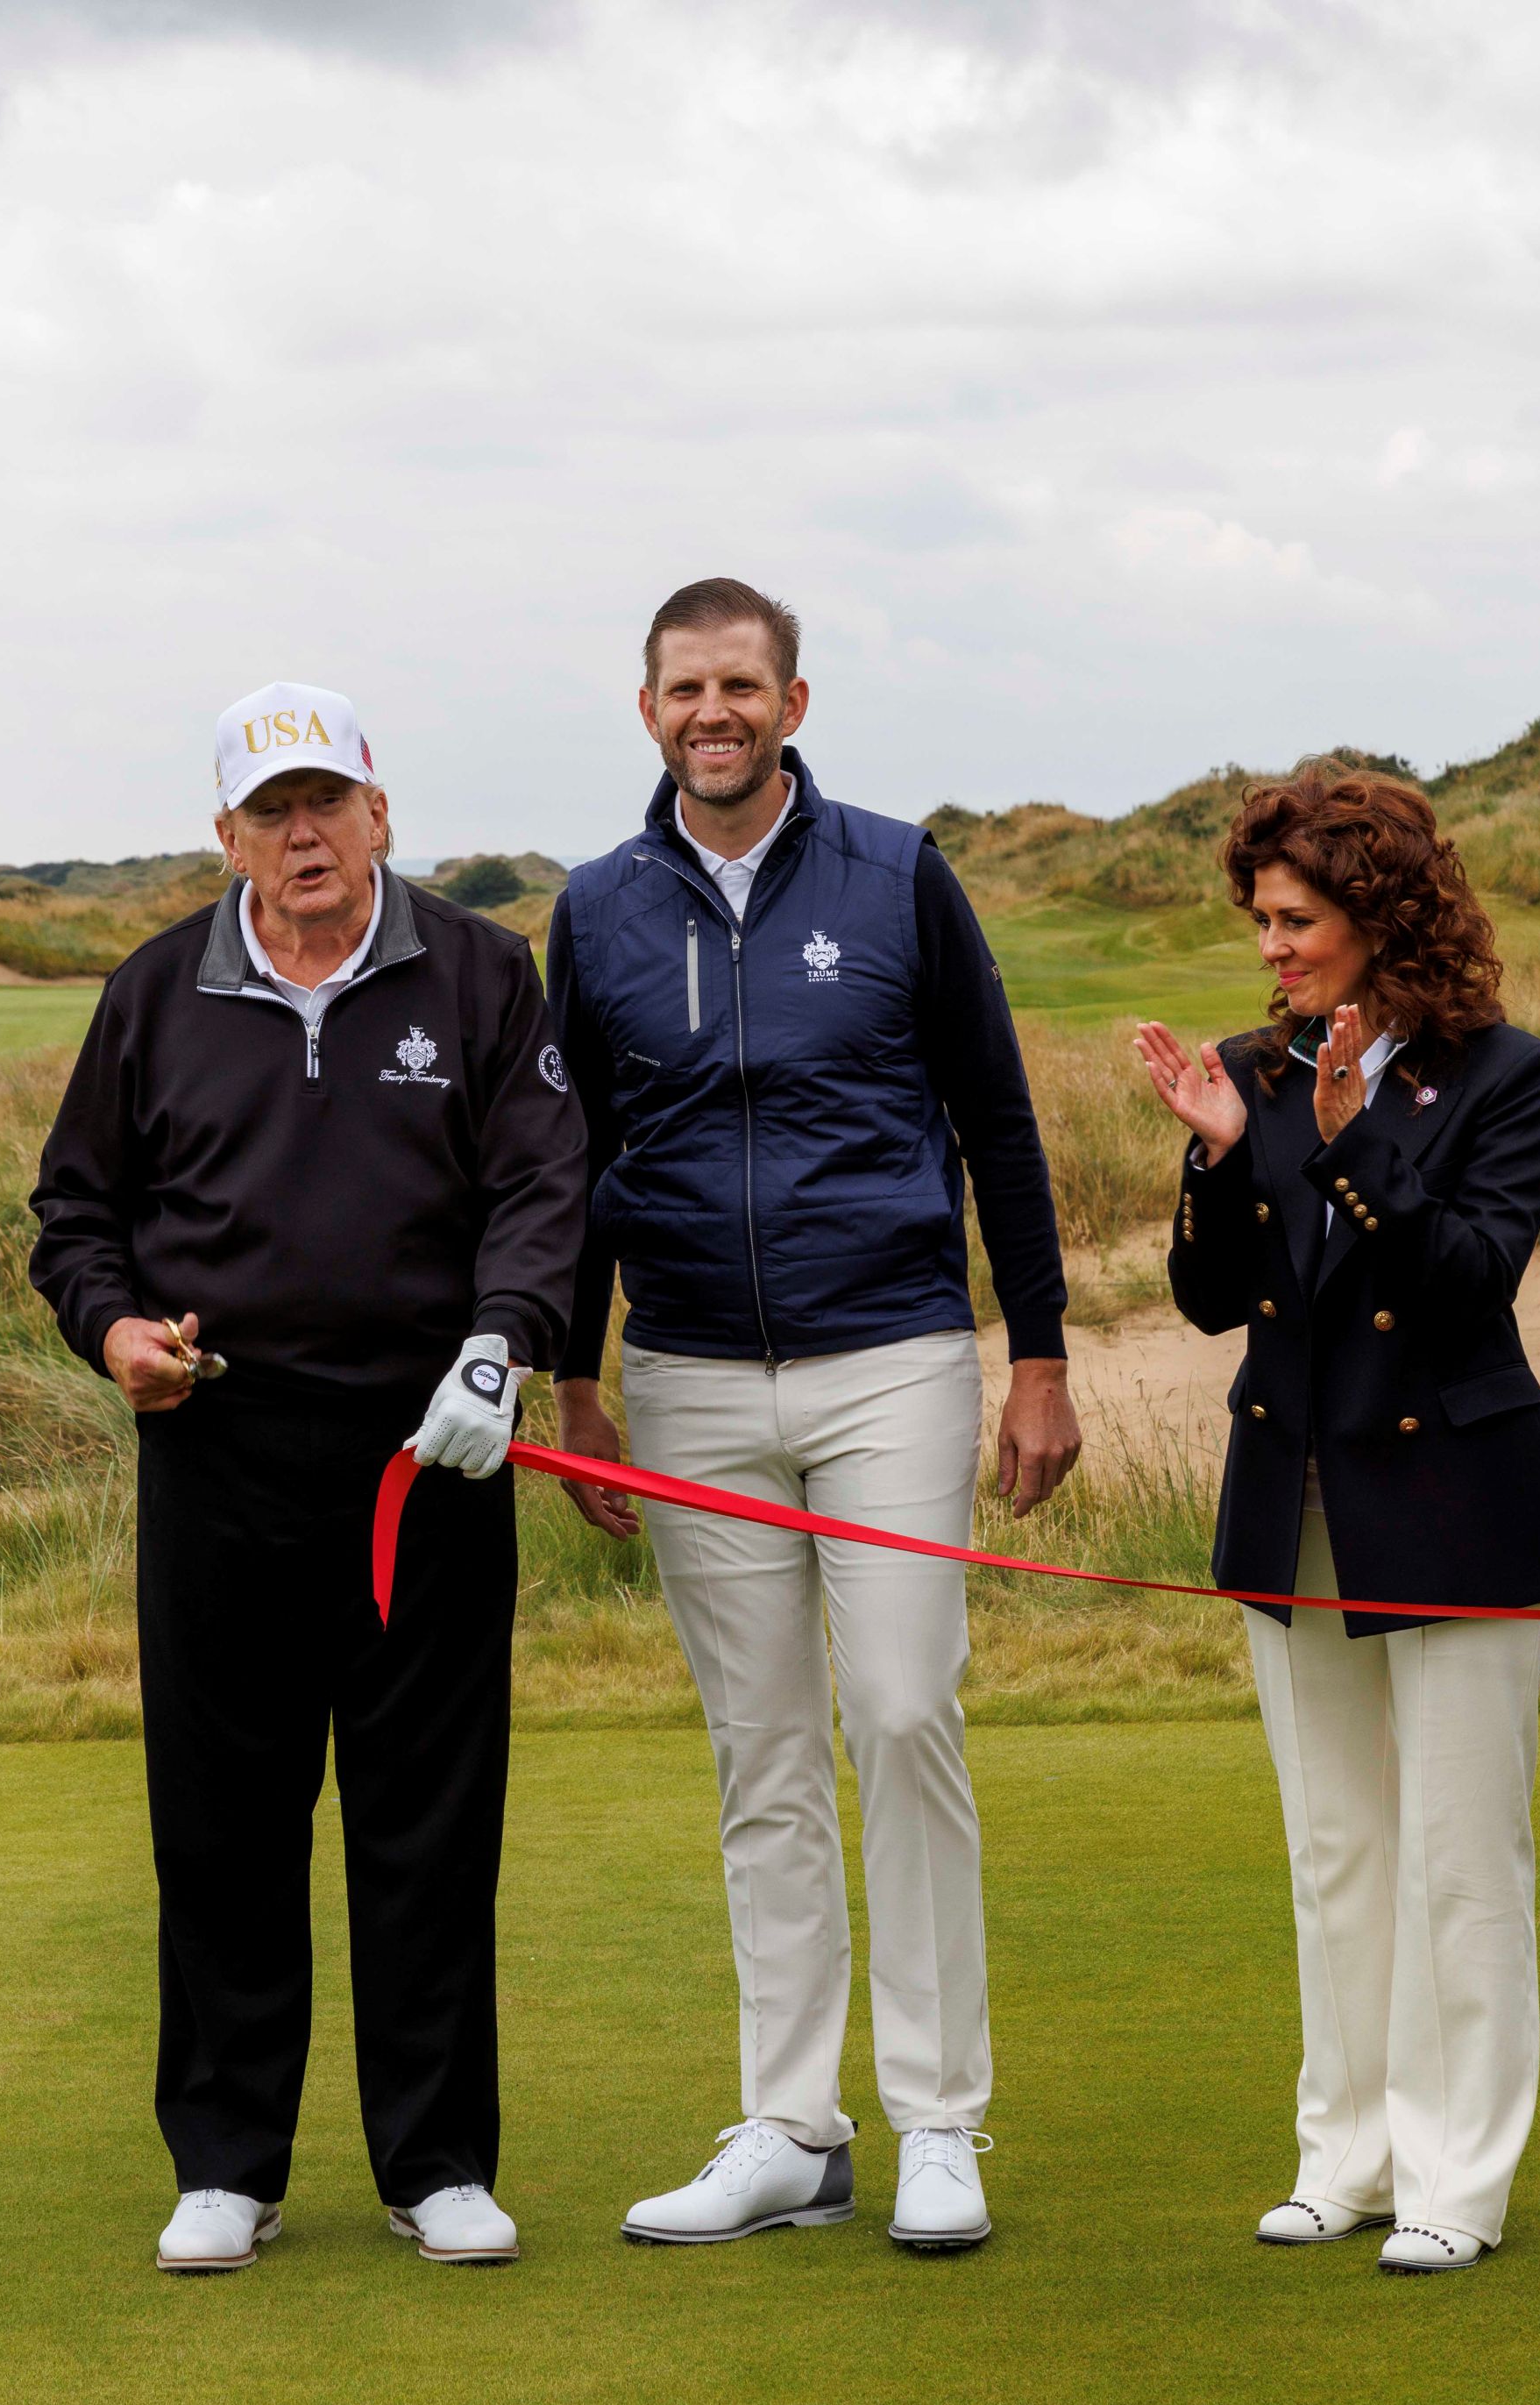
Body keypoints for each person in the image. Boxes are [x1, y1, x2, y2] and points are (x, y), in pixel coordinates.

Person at [545, 579, 1083, 2255]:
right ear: (648, 709)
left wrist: (1044, 1352)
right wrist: (580, 1369)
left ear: (792, 701)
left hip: (892, 1358)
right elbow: (570, 1167)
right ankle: (792, 2121)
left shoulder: (897, 872)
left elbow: (994, 1116)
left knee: (907, 1713)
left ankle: (939, 2117)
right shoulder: (598, 908)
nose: (714, 713)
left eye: (742, 686)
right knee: (762, 1754)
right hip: (689, 1373)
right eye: (684, 688)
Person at [28, 681, 585, 2275]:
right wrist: (115, 1331)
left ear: (380, 811)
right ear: (227, 837)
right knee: (222, 1819)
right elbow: (76, 1217)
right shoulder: (152, 995)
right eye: (270, 811)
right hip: (218, 1454)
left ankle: (437, 2165)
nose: (304, 833)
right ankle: (228, 2162)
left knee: (429, 1817)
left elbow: (545, 1185)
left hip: (434, 1453)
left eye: (327, 801)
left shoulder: (479, 971)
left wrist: (505, 1341)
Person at [1131, 761, 1540, 2277]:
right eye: (1261, 920)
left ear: (1379, 917)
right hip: (1295, 1501)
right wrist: (1217, 1158)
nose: (1271, 947)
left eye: (1297, 919)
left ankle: (1456, 2179)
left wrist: (1351, 1142)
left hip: (1460, 1504)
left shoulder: (1503, 1074)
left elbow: (1470, 1277)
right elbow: (1211, 1303)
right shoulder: (1247, 1073)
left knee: (1462, 1856)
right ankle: (1344, 2157)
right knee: (1337, 1846)